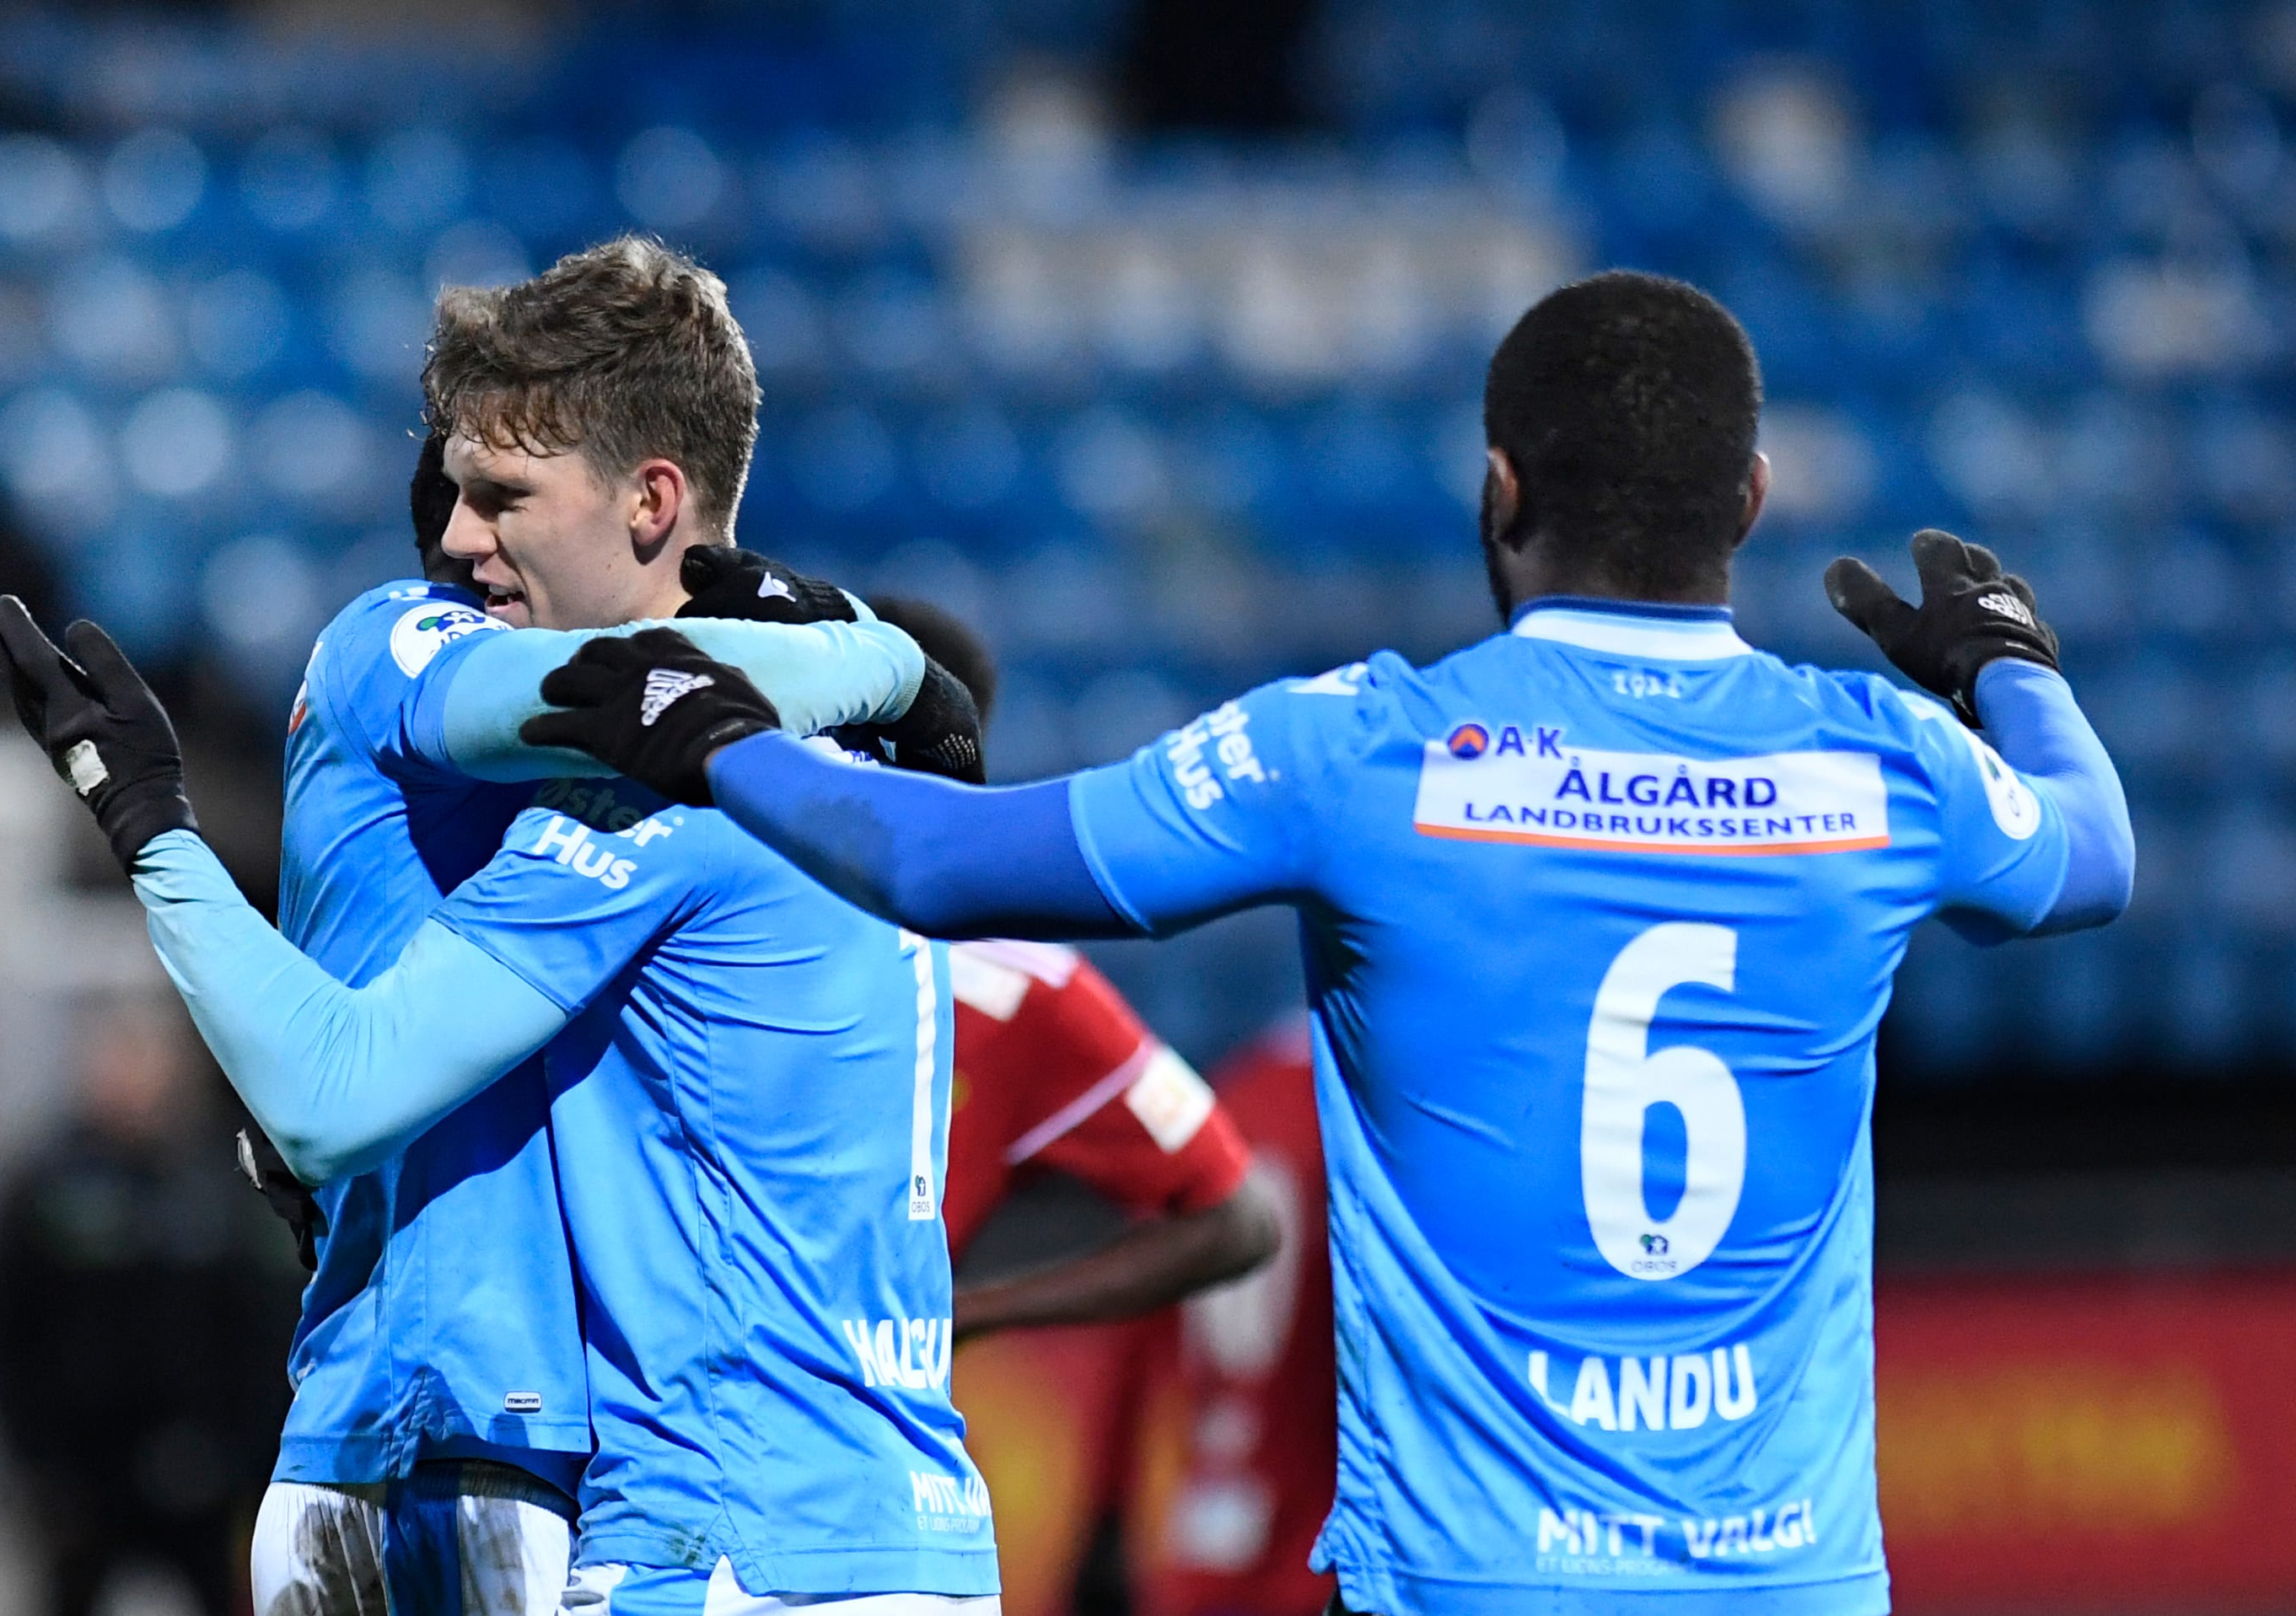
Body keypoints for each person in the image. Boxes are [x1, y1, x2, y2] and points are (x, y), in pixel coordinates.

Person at [517, 271, 2137, 1616]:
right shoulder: (1878, 763)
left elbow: (937, 862)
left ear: (1497, 489)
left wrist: (715, 735)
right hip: (1790, 1582)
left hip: (1469, 1581)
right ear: (1751, 500)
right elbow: (2093, 852)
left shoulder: (1365, 752)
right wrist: (2006, 665)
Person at [0, 237, 1000, 1616]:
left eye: (504, 496)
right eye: (456, 494)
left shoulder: (648, 796)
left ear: (649, 499)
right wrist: (893, 663)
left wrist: (150, 825)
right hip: (912, 1520)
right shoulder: (857, 772)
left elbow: (332, 1091)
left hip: (705, 1531)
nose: (463, 542)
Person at [863, 598, 1279, 1338]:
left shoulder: (1017, 988)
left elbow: (1236, 1221)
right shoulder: (693, 912)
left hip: (852, 1400)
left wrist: (957, 1317)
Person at [0, 996, 299, 1616]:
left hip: (202, 1472)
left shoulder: (220, 1183)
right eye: (119, 1057)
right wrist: (36, 1462)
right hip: (81, 1478)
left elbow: (263, 1328)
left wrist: (245, 1454)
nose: (133, 1076)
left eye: (148, 1059)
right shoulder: (47, 1186)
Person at [1125, 1015, 1335, 1616]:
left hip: (1201, 1537)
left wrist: (1103, 1517)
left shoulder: (1225, 1093)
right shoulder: (1362, 1112)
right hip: (1317, 1554)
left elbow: (1136, 1325)